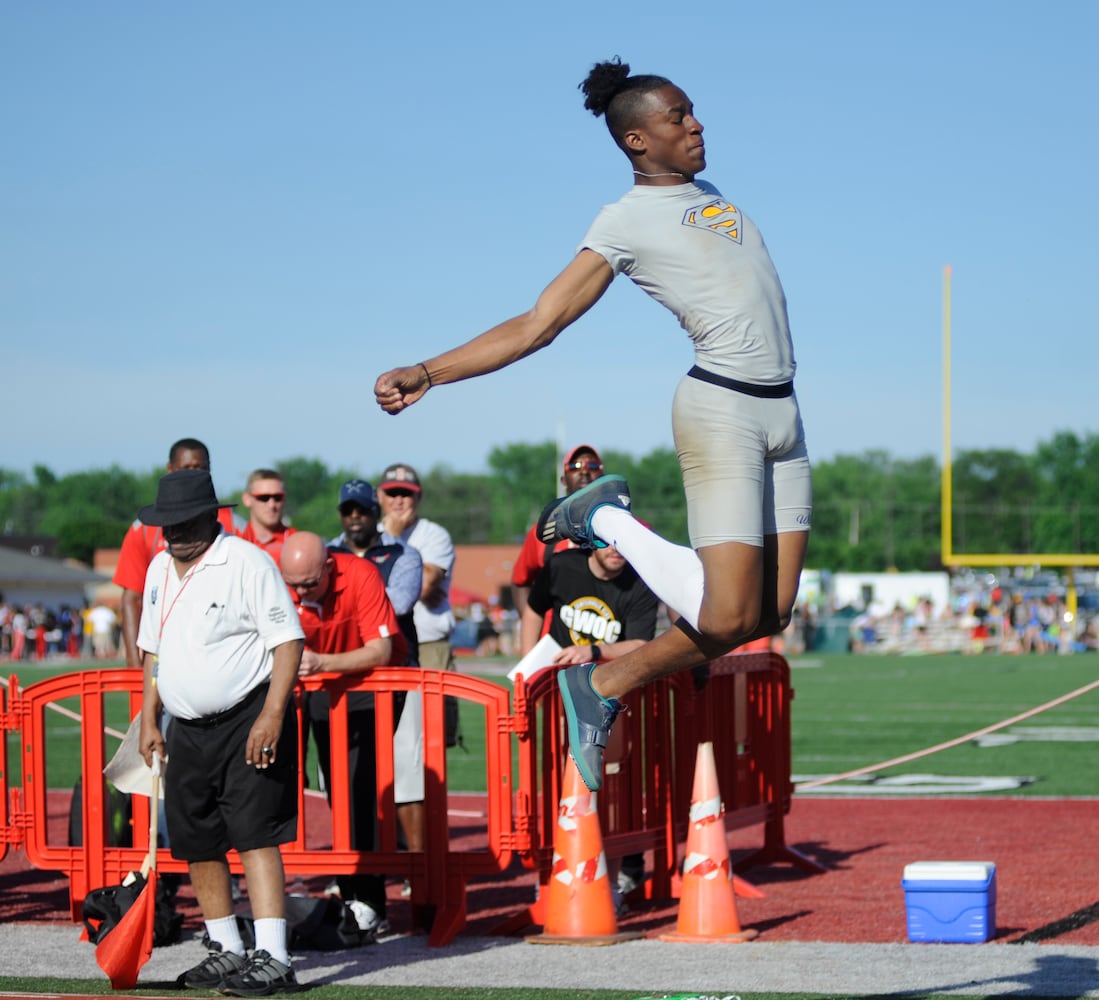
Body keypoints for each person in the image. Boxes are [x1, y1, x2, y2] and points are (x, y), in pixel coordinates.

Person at [374, 58, 812, 792]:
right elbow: (538, 323)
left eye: (692, 111)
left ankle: (603, 664)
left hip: (783, 413)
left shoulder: (709, 194)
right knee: (729, 608)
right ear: (638, 140)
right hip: (723, 407)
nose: (696, 124)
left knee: (768, 609)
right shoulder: (621, 221)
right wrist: (428, 371)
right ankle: (606, 544)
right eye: (677, 117)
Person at [136, 469, 305, 996]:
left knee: (256, 833)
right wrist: (148, 715)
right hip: (184, 724)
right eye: (168, 525)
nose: (176, 534)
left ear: (214, 517)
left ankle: (275, 955)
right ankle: (227, 947)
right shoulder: (160, 567)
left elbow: (287, 642)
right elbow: (154, 651)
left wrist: (272, 715)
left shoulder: (247, 562)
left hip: (246, 715)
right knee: (196, 838)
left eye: (186, 523)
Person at [280, 532, 405, 938]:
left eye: (308, 584)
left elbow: (380, 651)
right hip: (319, 690)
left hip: (369, 691)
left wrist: (323, 663)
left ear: (329, 567)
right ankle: (348, 884)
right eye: (292, 583)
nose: (299, 592)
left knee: (360, 788)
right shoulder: (281, 582)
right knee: (335, 788)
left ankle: (369, 899)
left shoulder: (361, 574)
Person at [520, 539, 659, 902]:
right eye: (609, 541)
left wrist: (594, 651)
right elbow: (533, 609)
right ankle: (549, 878)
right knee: (552, 782)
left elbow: (643, 643)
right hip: (557, 690)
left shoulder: (640, 580)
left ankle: (607, 882)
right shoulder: (563, 565)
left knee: (607, 786)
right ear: (592, 541)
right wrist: (528, 664)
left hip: (606, 695)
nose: (618, 549)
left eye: (623, 542)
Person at [329, 479, 426, 867]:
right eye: (348, 510)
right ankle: (351, 863)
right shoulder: (326, 553)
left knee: (407, 775)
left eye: (363, 510)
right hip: (343, 676)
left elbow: (397, 606)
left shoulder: (403, 553)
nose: (355, 518)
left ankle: (415, 869)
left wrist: (347, 603)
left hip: (397, 673)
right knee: (342, 775)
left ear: (375, 512)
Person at [112, 438, 238, 672]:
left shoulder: (233, 524)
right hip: (165, 653)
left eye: (201, 468)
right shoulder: (144, 529)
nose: (194, 474)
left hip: (219, 654)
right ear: (170, 469)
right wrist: (134, 667)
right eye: (186, 468)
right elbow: (132, 598)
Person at [511, 444, 605, 617]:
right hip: (554, 642)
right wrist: (531, 630)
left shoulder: (624, 527)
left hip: (609, 640)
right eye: (575, 466)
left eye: (592, 466)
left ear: (603, 477)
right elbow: (520, 581)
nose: (584, 471)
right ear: (563, 480)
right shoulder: (543, 532)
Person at [239, 469, 296, 565]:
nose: (272, 505)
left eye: (278, 497)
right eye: (264, 498)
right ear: (247, 499)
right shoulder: (235, 542)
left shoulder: (296, 543)